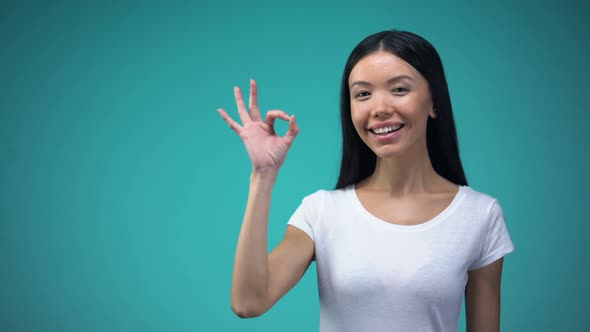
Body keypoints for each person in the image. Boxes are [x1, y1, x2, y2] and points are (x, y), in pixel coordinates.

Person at [217, 30, 516, 332]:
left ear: (434, 102)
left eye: (399, 89)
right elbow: (249, 302)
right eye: (362, 94)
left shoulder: (480, 215)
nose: (380, 108)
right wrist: (263, 176)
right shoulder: (321, 212)